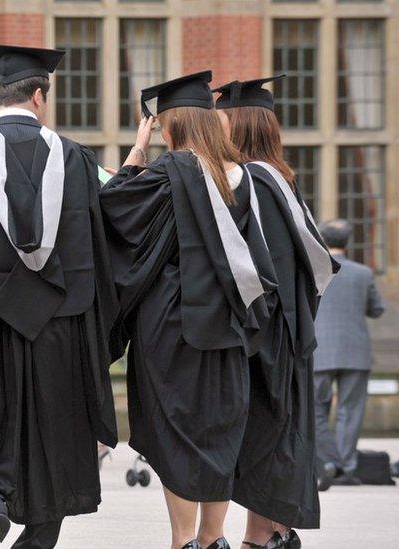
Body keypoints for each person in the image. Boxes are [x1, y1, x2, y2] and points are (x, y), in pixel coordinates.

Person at [99, 71, 277, 549]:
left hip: (170, 325)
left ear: (172, 126)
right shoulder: (242, 176)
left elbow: (112, 210)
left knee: (174, 428)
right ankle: (213, 537)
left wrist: (137, 152)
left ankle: (183, 540)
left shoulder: (166, 173)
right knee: (219, 427)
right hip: (228, 322)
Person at [0, 45, 119, 549]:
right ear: (39, 96)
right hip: (58, 328)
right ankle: (39, 535)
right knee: (56, 440)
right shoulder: (74, 158)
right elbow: (103, 241)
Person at [215, 76, 338, 549]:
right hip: (287, 330)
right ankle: (267, 534)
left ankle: (262, 537)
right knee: (275, 434)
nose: (214, 129)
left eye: (221, 120)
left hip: (268, 334)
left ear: (240, 126)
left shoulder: (255, 183)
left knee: (265, 434)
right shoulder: (280, 179)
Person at [313, 220, 385, 486]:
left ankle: (329, 461)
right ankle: (346, 465)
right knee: (350, 410)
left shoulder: (314, 269)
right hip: (355, 351)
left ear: (321, 238)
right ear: (348, 242)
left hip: (319, 349)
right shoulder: (363, 273)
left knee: (315, 408)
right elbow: (377, 309)